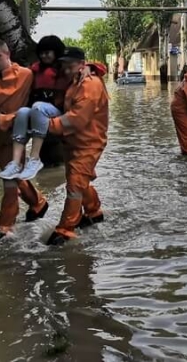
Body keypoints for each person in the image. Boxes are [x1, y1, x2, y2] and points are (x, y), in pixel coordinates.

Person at [0, 36, 108, 182]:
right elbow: (16, 74)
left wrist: (89, 67)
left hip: (57, 122)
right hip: (42, 123)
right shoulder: (34, 70)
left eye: (48, 52)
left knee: (73, 178)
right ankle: (17, 162)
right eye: (42, 53)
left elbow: (94, 67)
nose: (44, 56)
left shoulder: (66, 71)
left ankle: (35, 160)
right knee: (23, 112)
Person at [0, 40, 48, 242]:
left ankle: (6, 225)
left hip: (18, 137)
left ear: (8, 55)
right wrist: (17, 117)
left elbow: (54, 72)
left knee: (9, 180)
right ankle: (38, 202)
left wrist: (88, 68)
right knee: (15, 176)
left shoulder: (26, 74)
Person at [45, 46, 110, 246]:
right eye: (64, 66)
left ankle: (65, 230)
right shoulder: (75, 80)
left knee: (74, 185)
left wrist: (46, 125)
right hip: (74, 142)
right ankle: (94, 212)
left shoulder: (90, 84)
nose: (66, 70)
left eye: (70, 66)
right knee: (79, 181)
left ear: (81, 64)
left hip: (88, 143)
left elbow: (76, 119)